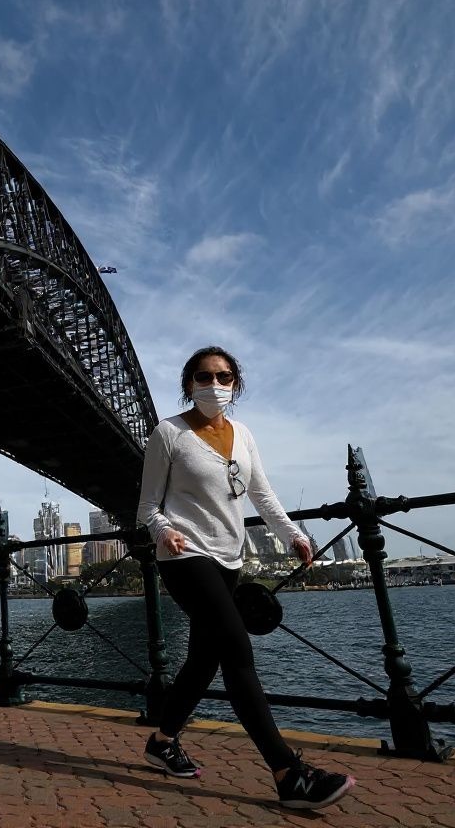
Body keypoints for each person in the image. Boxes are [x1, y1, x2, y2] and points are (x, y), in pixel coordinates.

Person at [136, 346, 355, 810]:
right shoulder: (168, 434)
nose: (214, 384)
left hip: (229, 560)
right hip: (184, 557)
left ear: (236, 385)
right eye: (203, 376)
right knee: (238, 652)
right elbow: (147, 507)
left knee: (202, 661)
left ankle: (162, 740)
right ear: (187, 383)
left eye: (224, 376)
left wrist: (293, 533)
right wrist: (165, 530)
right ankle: (288, 773)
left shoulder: (243, 434)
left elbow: (262, 494)